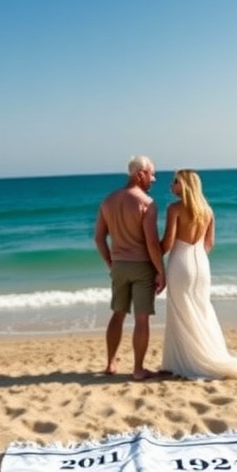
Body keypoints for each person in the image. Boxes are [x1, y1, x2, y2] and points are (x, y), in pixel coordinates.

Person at [160, 169, 237, 381]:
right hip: (202, 264)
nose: (171, 185)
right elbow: (209, 244)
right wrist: (196, 257)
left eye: (176, 182)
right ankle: (206, 354)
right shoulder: (207, 210)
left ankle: (185, 361)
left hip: (181, 263)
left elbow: (167, 244)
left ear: (186, 185)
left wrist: (149, 253)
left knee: (181, 311)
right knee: (202, 309)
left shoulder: (174, 209)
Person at [94, 155, 165, 381]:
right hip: (142, 266)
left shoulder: (108, 200)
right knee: (142, 319)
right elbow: (152, 244)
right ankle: (138, 369)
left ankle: (110, 363)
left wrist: (110, 263)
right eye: (152, 174)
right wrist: (161, 271)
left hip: (119, 266)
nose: (153, 179)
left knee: (118, 314)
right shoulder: (146, 203)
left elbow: (98, 238)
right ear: (140, 174)